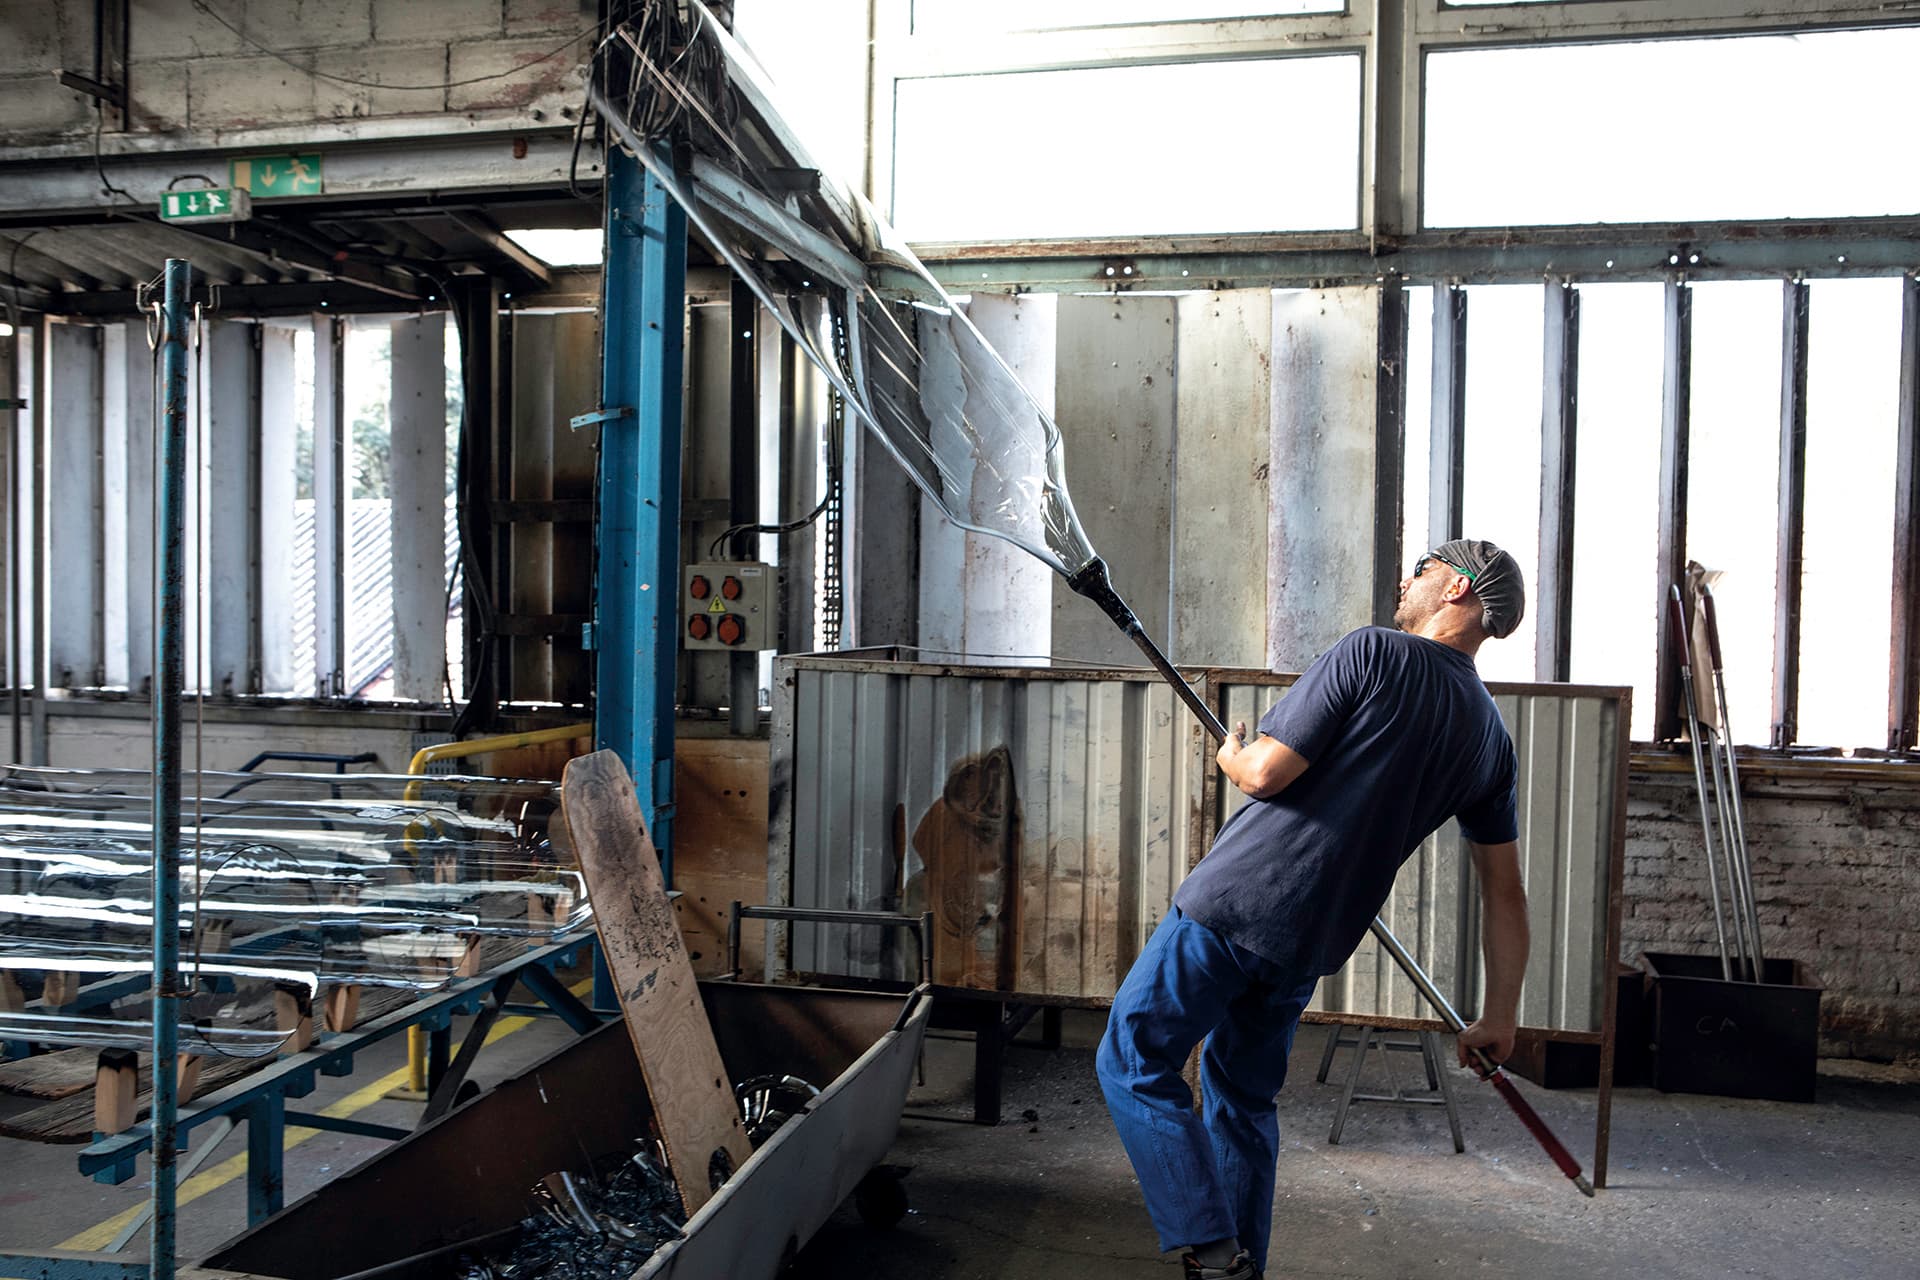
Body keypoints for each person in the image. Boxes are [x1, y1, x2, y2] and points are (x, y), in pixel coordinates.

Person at [1095, 539, 1532, 1280]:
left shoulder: (1374, 653)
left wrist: (1232, 756)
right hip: (1311, 939)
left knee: (1133, 1056)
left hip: (1234, 904)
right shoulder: (1491, 739)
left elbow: (1266, 772)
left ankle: (1205, 1238)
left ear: (1456, 587)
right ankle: (1241, 1269)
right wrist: (1502, 1016)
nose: (1407, 578)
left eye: (1423, 568)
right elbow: (1505, 891)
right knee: (1241, 1101)